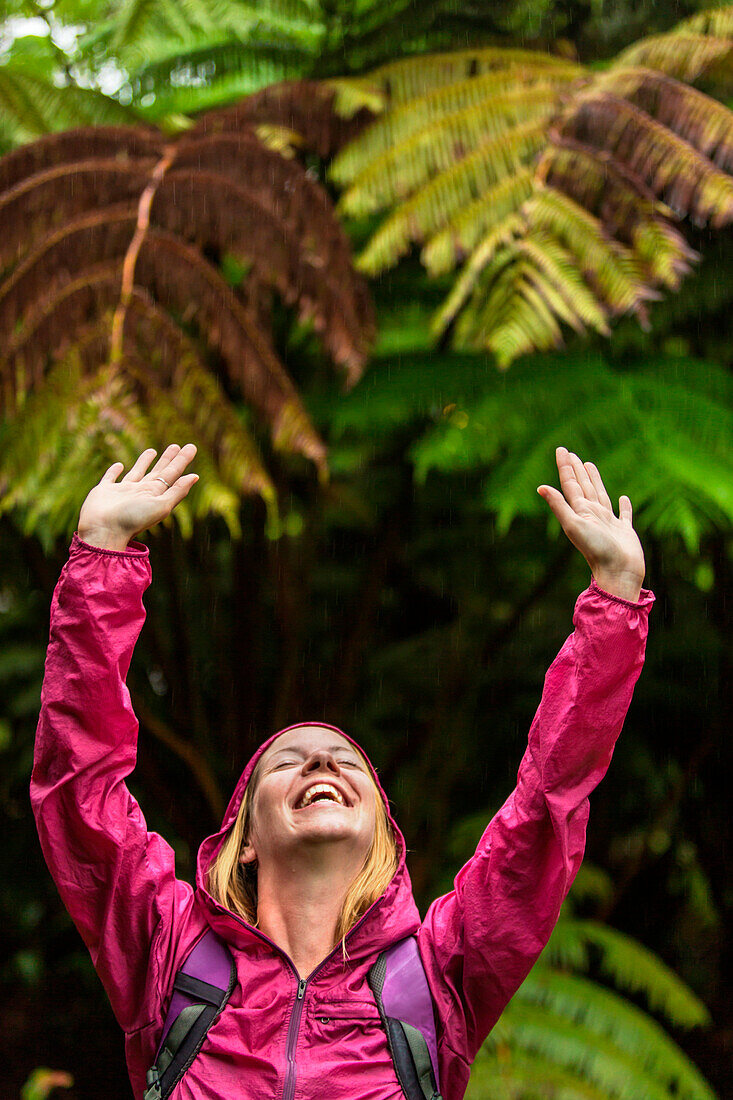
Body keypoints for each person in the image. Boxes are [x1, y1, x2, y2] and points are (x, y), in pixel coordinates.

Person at [31, 442, 654, 1100]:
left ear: (382, 839)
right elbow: (80, 790)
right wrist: (101, 554)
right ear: (243, 842)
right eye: (288, 761)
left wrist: (613, 597)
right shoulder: (167, 955)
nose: (323, 760)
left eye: (344, 762)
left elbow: (544, 811)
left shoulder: (440, 974)